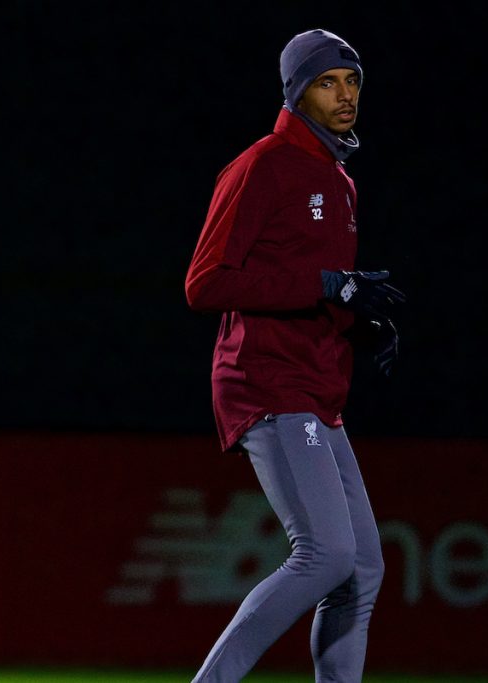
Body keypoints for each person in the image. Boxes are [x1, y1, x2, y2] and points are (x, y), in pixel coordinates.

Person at [184, 30, 405, 682]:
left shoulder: (339, 180)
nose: (346, 95)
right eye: (328, 81)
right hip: (266, 381)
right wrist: (324, 286)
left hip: (316, 385)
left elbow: (314, 287)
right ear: (296, 89)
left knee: (363, 565)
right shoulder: (263, 164)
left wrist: (357, 324)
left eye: (353, 81)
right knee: (327, 553)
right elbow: (204, 284)